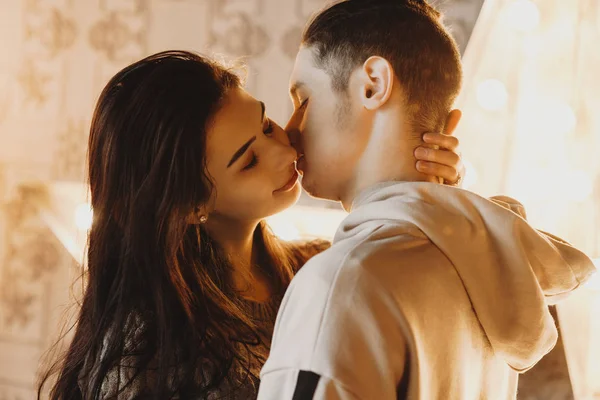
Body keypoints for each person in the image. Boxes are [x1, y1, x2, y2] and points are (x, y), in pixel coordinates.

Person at [37, 51, 463, 399]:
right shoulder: (145, 353)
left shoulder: (318, 268)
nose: (283, 151)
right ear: (189, 204)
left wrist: (426, 192)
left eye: (264, 124)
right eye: (249, 160)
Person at [257, 1, 597, 399]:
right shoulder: (491, 270)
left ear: (373, 84)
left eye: (303, 100)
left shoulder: (342, 281)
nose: (291, 128)